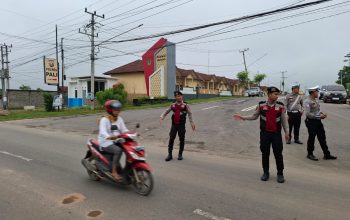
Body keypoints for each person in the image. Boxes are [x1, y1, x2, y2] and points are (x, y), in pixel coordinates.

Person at [234, 87, 289, 183]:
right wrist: (243, 117)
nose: (277, 96)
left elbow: (284, 121)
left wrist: (287, 132)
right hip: (265, 134)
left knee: (278, 154)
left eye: (277, 94)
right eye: (275, 94)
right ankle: (266, 172)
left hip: (276, 134)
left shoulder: (280, 106)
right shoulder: (261, 105)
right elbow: (254, 116)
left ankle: (280, 173)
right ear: (269, 94)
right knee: (265, 153)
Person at [160, 91, 196, 161]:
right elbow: (166, 111)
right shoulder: (173, 105)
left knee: (181, 139)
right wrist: (162, 116)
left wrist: (192, 123)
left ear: (182, 96)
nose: (178, 97)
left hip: (181, 125)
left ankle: (180, 154)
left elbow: (190, 114)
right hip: (174, 125)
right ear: (175, 97)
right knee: (171, 139)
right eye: (177, 96)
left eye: (180, 96)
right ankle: (169, 154)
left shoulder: (185, 105)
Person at [98, 100, 129, 181]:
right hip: (105, 142)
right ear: (110, 110)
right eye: (115, 109)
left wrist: (131, 134)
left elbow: (124, 130)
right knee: (118, 151)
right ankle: (114, 172)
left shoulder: (119, 119)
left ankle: (127, 171)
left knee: (129, 149)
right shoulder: (104, 120)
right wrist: (109, 137)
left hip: (117, 140)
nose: (117, 111)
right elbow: (103, 132)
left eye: (118, 109)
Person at [304, 86, 337, 161]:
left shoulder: (315, 100)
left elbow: (316, 110)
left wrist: (322, 114)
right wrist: (319, 116)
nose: (318, 93)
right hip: (311, 122)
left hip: (318, 121)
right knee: (312, 138)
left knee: (322, 137)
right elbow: (308, 114)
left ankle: (327, 154)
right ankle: (310, 154)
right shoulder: (307, 101)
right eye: (317, 91)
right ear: (313, 92)